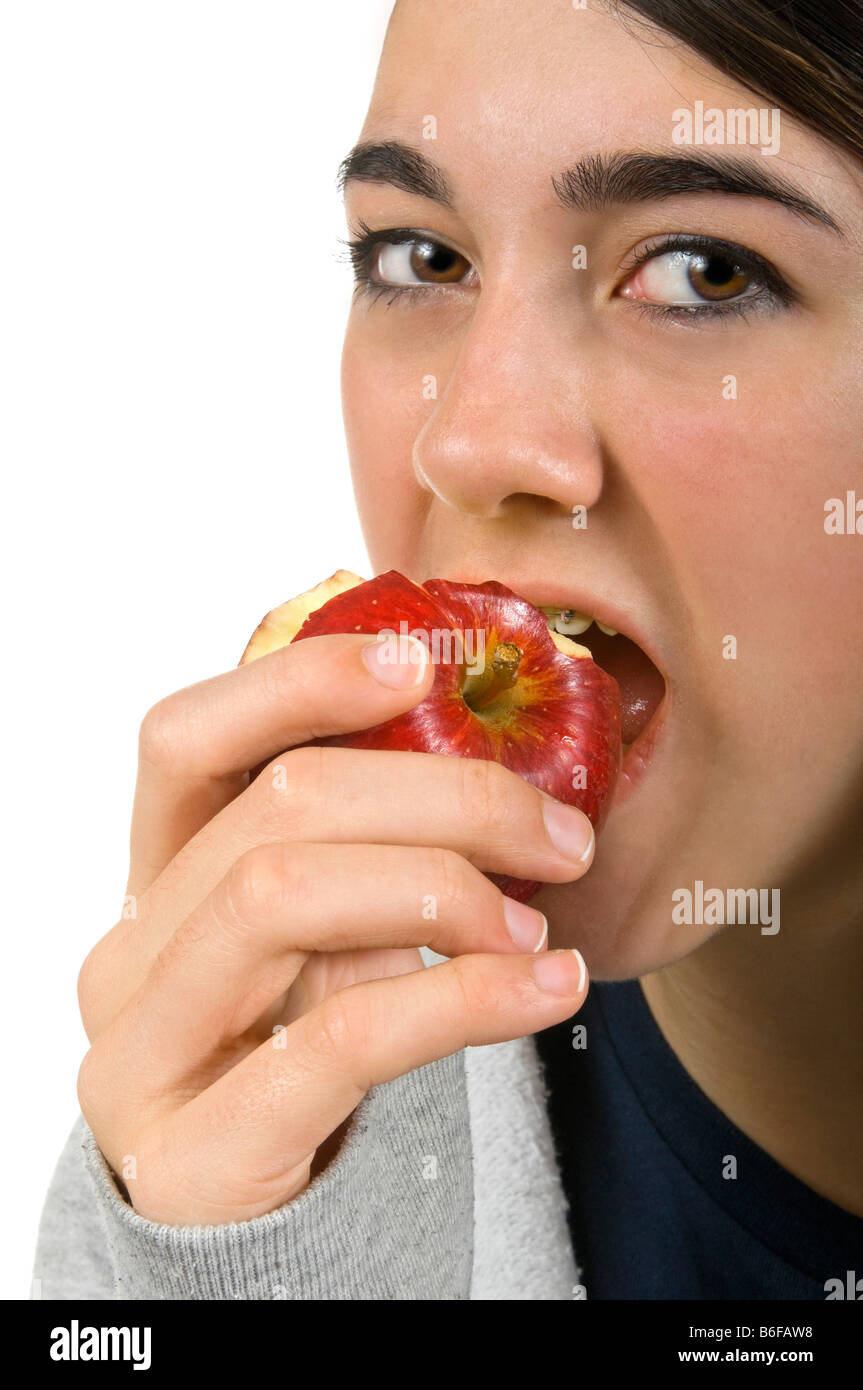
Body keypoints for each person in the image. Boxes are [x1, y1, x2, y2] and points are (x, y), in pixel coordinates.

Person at [34, 0, 863, 1299]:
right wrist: (219, 1279)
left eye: (703, 268)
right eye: (420, 257)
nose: (471, 443)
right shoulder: (269, 1145)